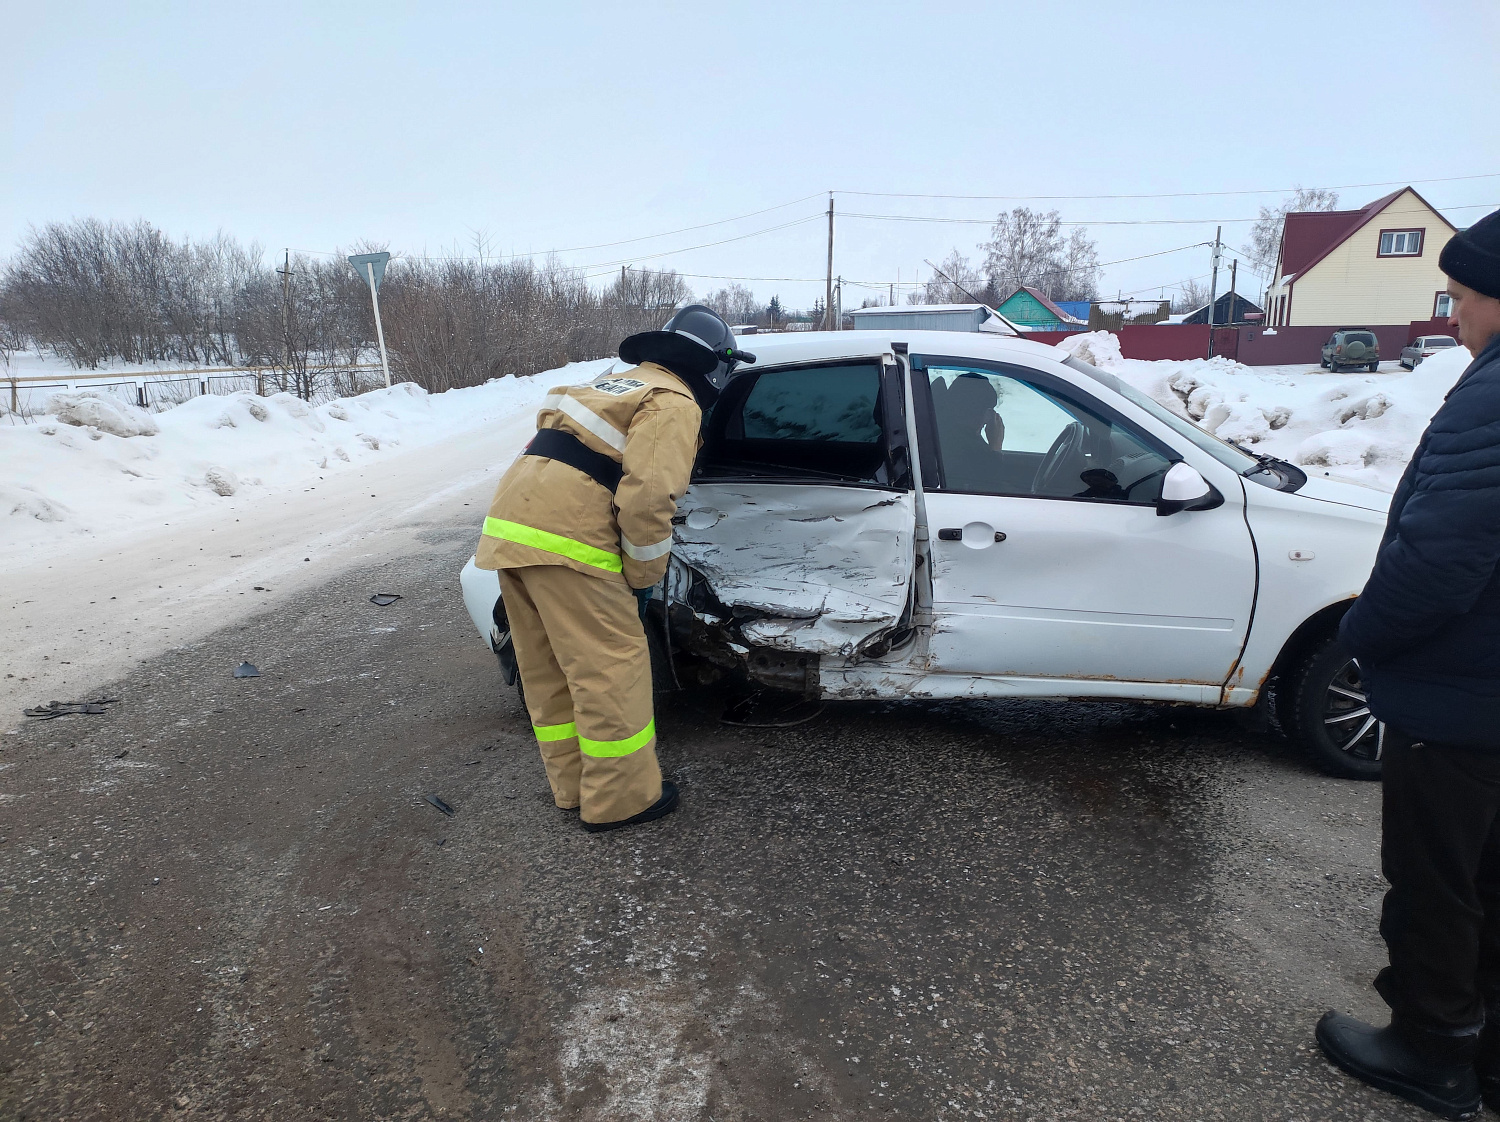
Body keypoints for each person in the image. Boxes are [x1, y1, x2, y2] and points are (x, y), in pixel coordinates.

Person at [1316, 207, 1500, 1120]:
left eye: (1463, 297)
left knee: (1436, 882)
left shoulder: (1497, 392)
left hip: (1460, 701)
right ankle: (1486, 1057)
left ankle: (1430, 1051)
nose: (1455, 317)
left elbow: (1442, 556)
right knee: (1487, 878)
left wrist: (1363, 635)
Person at [474, 306, 751, 832]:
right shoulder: (672, 400)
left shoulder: (611, 383)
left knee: (548, 670)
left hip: (512, 529)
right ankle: (622, 800)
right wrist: (643, 577)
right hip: (570, 539)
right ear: (713, 366)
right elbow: (648, 498)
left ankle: (573, 787)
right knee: (611, 667)